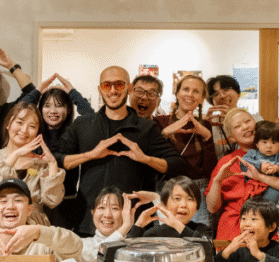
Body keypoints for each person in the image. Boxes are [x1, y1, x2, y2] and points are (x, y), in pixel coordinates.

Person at [53, 66, 188, 235]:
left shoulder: (146, 128)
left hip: (133, 225)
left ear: (129, 88)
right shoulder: (83, 125)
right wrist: (90, 155)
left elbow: (178, 165)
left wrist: (145, 158)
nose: (113, 91)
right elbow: (55, 158)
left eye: (119, 85)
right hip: (88, 221)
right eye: (107, 85)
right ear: (100, 89)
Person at [206, 108, 279, 245]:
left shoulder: (276, 153)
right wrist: (217, 181)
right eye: (237, 126)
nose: (245, 127)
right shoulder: (226, 161)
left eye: (248, 121)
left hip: (273, 232)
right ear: (232, 137)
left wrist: (261, 177)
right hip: (233, 234)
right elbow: (212, 207)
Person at [0, 102, 65, 226]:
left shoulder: (41, 164)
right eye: (19, 122)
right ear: (8, 124)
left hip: (34, 227)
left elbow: (52, 200)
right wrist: (15, 155)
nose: (24, 130)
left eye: (32, 126)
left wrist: (53, 164)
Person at [153, 74, 218, 231]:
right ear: (177, 93)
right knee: (165, 239)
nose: (190, 94)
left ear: (202, 98)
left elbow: (210, 170)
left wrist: (207, 137)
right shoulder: (159, 122)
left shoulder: (205, 126)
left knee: (199, 242)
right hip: (167, 190)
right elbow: (154, 160)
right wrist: (165, 133)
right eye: (186, 89)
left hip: (197, 191)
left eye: (196, 91)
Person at [36, 77, 93, 229]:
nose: (53, 111)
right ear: (40, 109)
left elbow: (91, 118)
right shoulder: (34, 132)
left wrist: (73, 93)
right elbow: (19, 110)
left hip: (67, 202)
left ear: (68, 109)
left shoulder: (74, 132)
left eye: (59, 106)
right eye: (47, 106)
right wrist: (37, 92)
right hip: (37, 203)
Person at [239, 120, 279, 240]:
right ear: (257, 143)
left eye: (274, 142)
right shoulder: (252, 153)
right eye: (264, 142)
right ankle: (253, 241)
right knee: (254, 219)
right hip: (255, 195)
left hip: (277, 195)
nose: (269, 146)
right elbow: (243, 163)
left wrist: (277, 167)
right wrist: (260, 166)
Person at [128, 176, 209, 239]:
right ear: (164, 204)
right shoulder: (154, 233)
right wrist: (137, 227)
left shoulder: (203, 230)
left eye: (190, 199)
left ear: (197, 205)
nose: (183, 204)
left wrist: (177, 226)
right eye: (177, 198)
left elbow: (207, 252)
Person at [76, 187, 135, 262]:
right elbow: (95, 259)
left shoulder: (133, 247)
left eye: (115, 208)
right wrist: (125, 226)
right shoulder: (82, 244)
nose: (107, 215)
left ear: (125, 213)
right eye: (101, 208)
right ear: (93, 213)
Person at [205, 75, 244, 158]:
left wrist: (233, 119)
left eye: (226, 90)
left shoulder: (255, 120)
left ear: (238, 93)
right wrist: (204, 126)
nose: (222, 96)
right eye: (216, 94)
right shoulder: (211, 123)